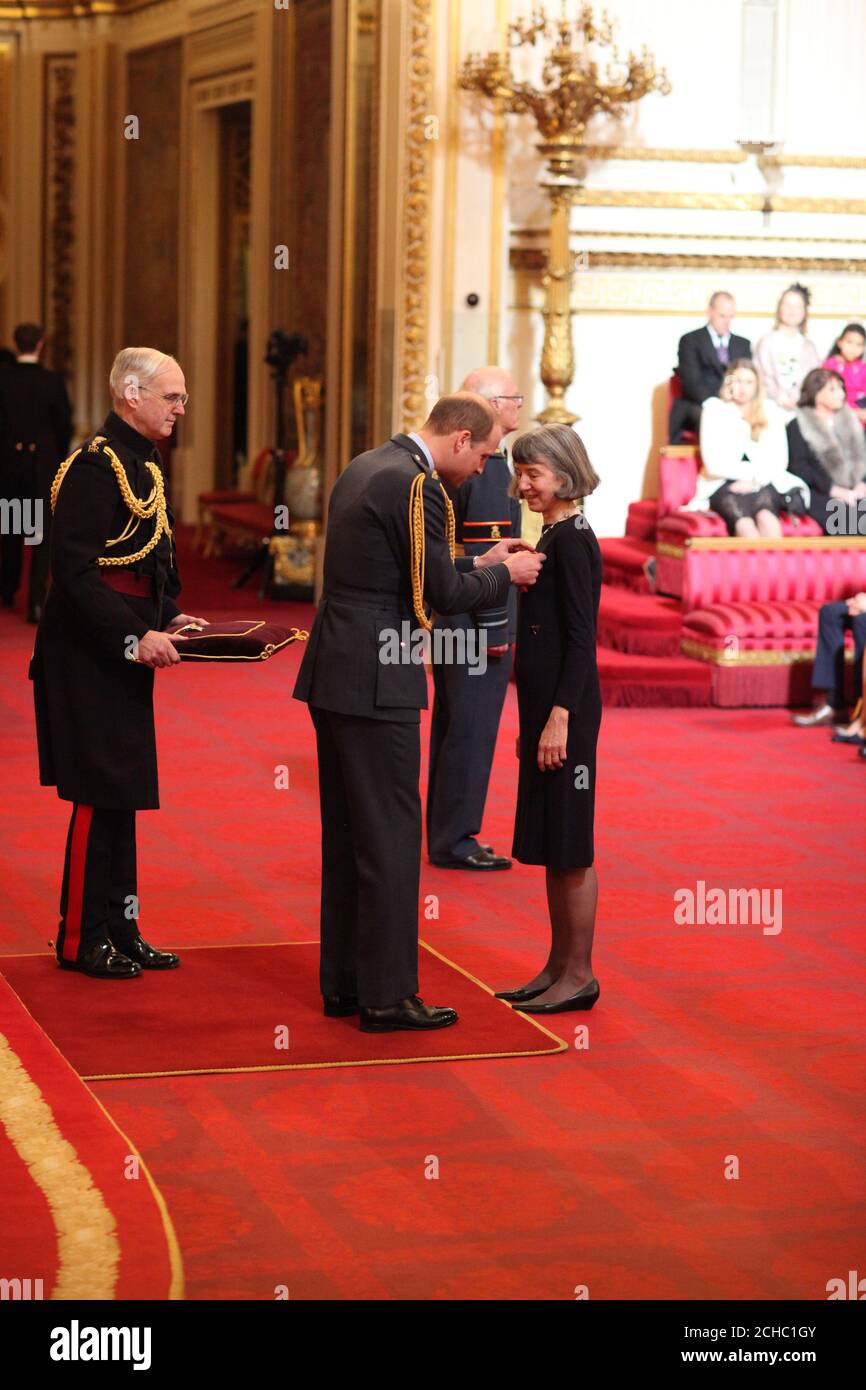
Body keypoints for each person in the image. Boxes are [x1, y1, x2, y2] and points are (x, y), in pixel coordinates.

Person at [293, 393, 544, 1033]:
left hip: (337, 665)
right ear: (460, 438)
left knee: (350, 834)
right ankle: (387, 997)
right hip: (379, 672)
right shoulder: (418, 486)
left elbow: (404, 572)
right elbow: (440, 592)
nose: (486, 471)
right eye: (486, 455)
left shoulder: (368, 463)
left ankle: (347, 985)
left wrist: (477, 559)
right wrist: (504, 575)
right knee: (391, 839)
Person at [30, 347, 207, 979]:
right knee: (96, 796)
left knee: (124, 794)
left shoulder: (145, 462)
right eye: (172, 397)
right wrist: (134, 637)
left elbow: (151, 555)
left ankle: (122, 927)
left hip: (126, 644)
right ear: (131, 395)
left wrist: (171, 615)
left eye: (182, 398)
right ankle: (81, 937)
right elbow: (73, 576)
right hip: (85, 653)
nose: (181, 409)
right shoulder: (91, 466)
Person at [494, 424, 603, 1016]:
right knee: (551, 839)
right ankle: (556, 967)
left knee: (570, 845)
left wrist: (559, 718)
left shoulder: (574, 540)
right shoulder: (553, 534)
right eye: (520, 472)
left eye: (532, 474)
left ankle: (579, 975)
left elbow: (582, 641)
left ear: (563, 476)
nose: (522, 485)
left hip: (569, 711)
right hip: (546, 710)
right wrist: (533, 720)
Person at [426, 366, 524, 871]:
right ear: (488, 404)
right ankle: (456, 840)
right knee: (471, 727)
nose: (519, 407)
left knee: (453, 724)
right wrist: (495, 630)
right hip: (474, 620)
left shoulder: (465, 461)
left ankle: (447, 833)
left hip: (451, 614)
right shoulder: (491, 467)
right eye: (512, 398)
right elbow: (491, 552)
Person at [0, 322, 72, 621]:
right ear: (40, 344)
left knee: (11, 529)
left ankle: (6, 589)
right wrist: (57, 456)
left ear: (16, 344)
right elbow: (64, 424)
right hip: (43, 467)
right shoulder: (52, 381)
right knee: (40, 536)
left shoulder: (2, 378)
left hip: (9, 467)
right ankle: (36, 603)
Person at [691, 359, 805, 537]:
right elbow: (713, 464)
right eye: (737, 381)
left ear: (757, 385)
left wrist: (754, 480)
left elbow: (779, 461)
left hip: (763, 481)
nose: (742, 388)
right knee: (745, 524)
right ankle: (752, 564)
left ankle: (775, 565)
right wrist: (746, 476)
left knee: (767, 518)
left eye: (748, 382)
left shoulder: (770, 410)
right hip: (722, 484)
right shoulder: (714, 410)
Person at [786, 367, 866, 533]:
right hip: (820, 492)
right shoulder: (798, 425)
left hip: (856, 490)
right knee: (850, 522)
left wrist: (861, 484)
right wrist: (834, 490)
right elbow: (799, 466)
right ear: (816, 392)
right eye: (832, 389)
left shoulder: (850, 421)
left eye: (841, 388)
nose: (841, 394)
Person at [669, 292, 751, 443]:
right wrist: (716, 404)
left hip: (735, 403)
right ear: (709, 312)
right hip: (700, 404)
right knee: (713, 418)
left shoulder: (743, 345)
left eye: (730, 316)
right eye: (722, 316)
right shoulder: (690, 341)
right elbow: (691, 382)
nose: (726, 321)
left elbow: (748, 378)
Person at [754, 284, 820, 418]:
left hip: (802, 408)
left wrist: (798, 398)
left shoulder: (809, 347)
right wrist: (780, 398)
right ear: (779, 308)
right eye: (788, 305)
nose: (792, 310)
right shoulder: (765, 342)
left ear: (804, 312)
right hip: (771, 407)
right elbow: (761, 377)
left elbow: (814, 380)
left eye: (797, 306)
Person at [823, 323, 866, 426]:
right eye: (849, 342)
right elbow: (826, 395)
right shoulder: (830, 365)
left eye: (859, 344)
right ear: (840, 342)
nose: (853, 348)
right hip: (837, 413)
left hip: (861, 416)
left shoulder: (863, 368)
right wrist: (853, 412)